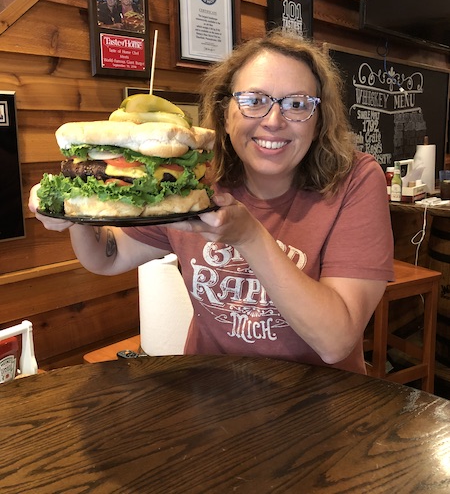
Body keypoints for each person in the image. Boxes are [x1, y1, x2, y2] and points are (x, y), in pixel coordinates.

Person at [29, 31, 394, 374]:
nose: (274, 121)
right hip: (210, 393)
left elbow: (336, 342)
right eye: (254, 101)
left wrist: (249, 236)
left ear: (318, 119)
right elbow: (107, 257)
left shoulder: (355, 180)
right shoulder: (196, 181)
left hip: (320, 404)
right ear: (225, 112)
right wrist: (76, 210)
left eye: (297, 104)